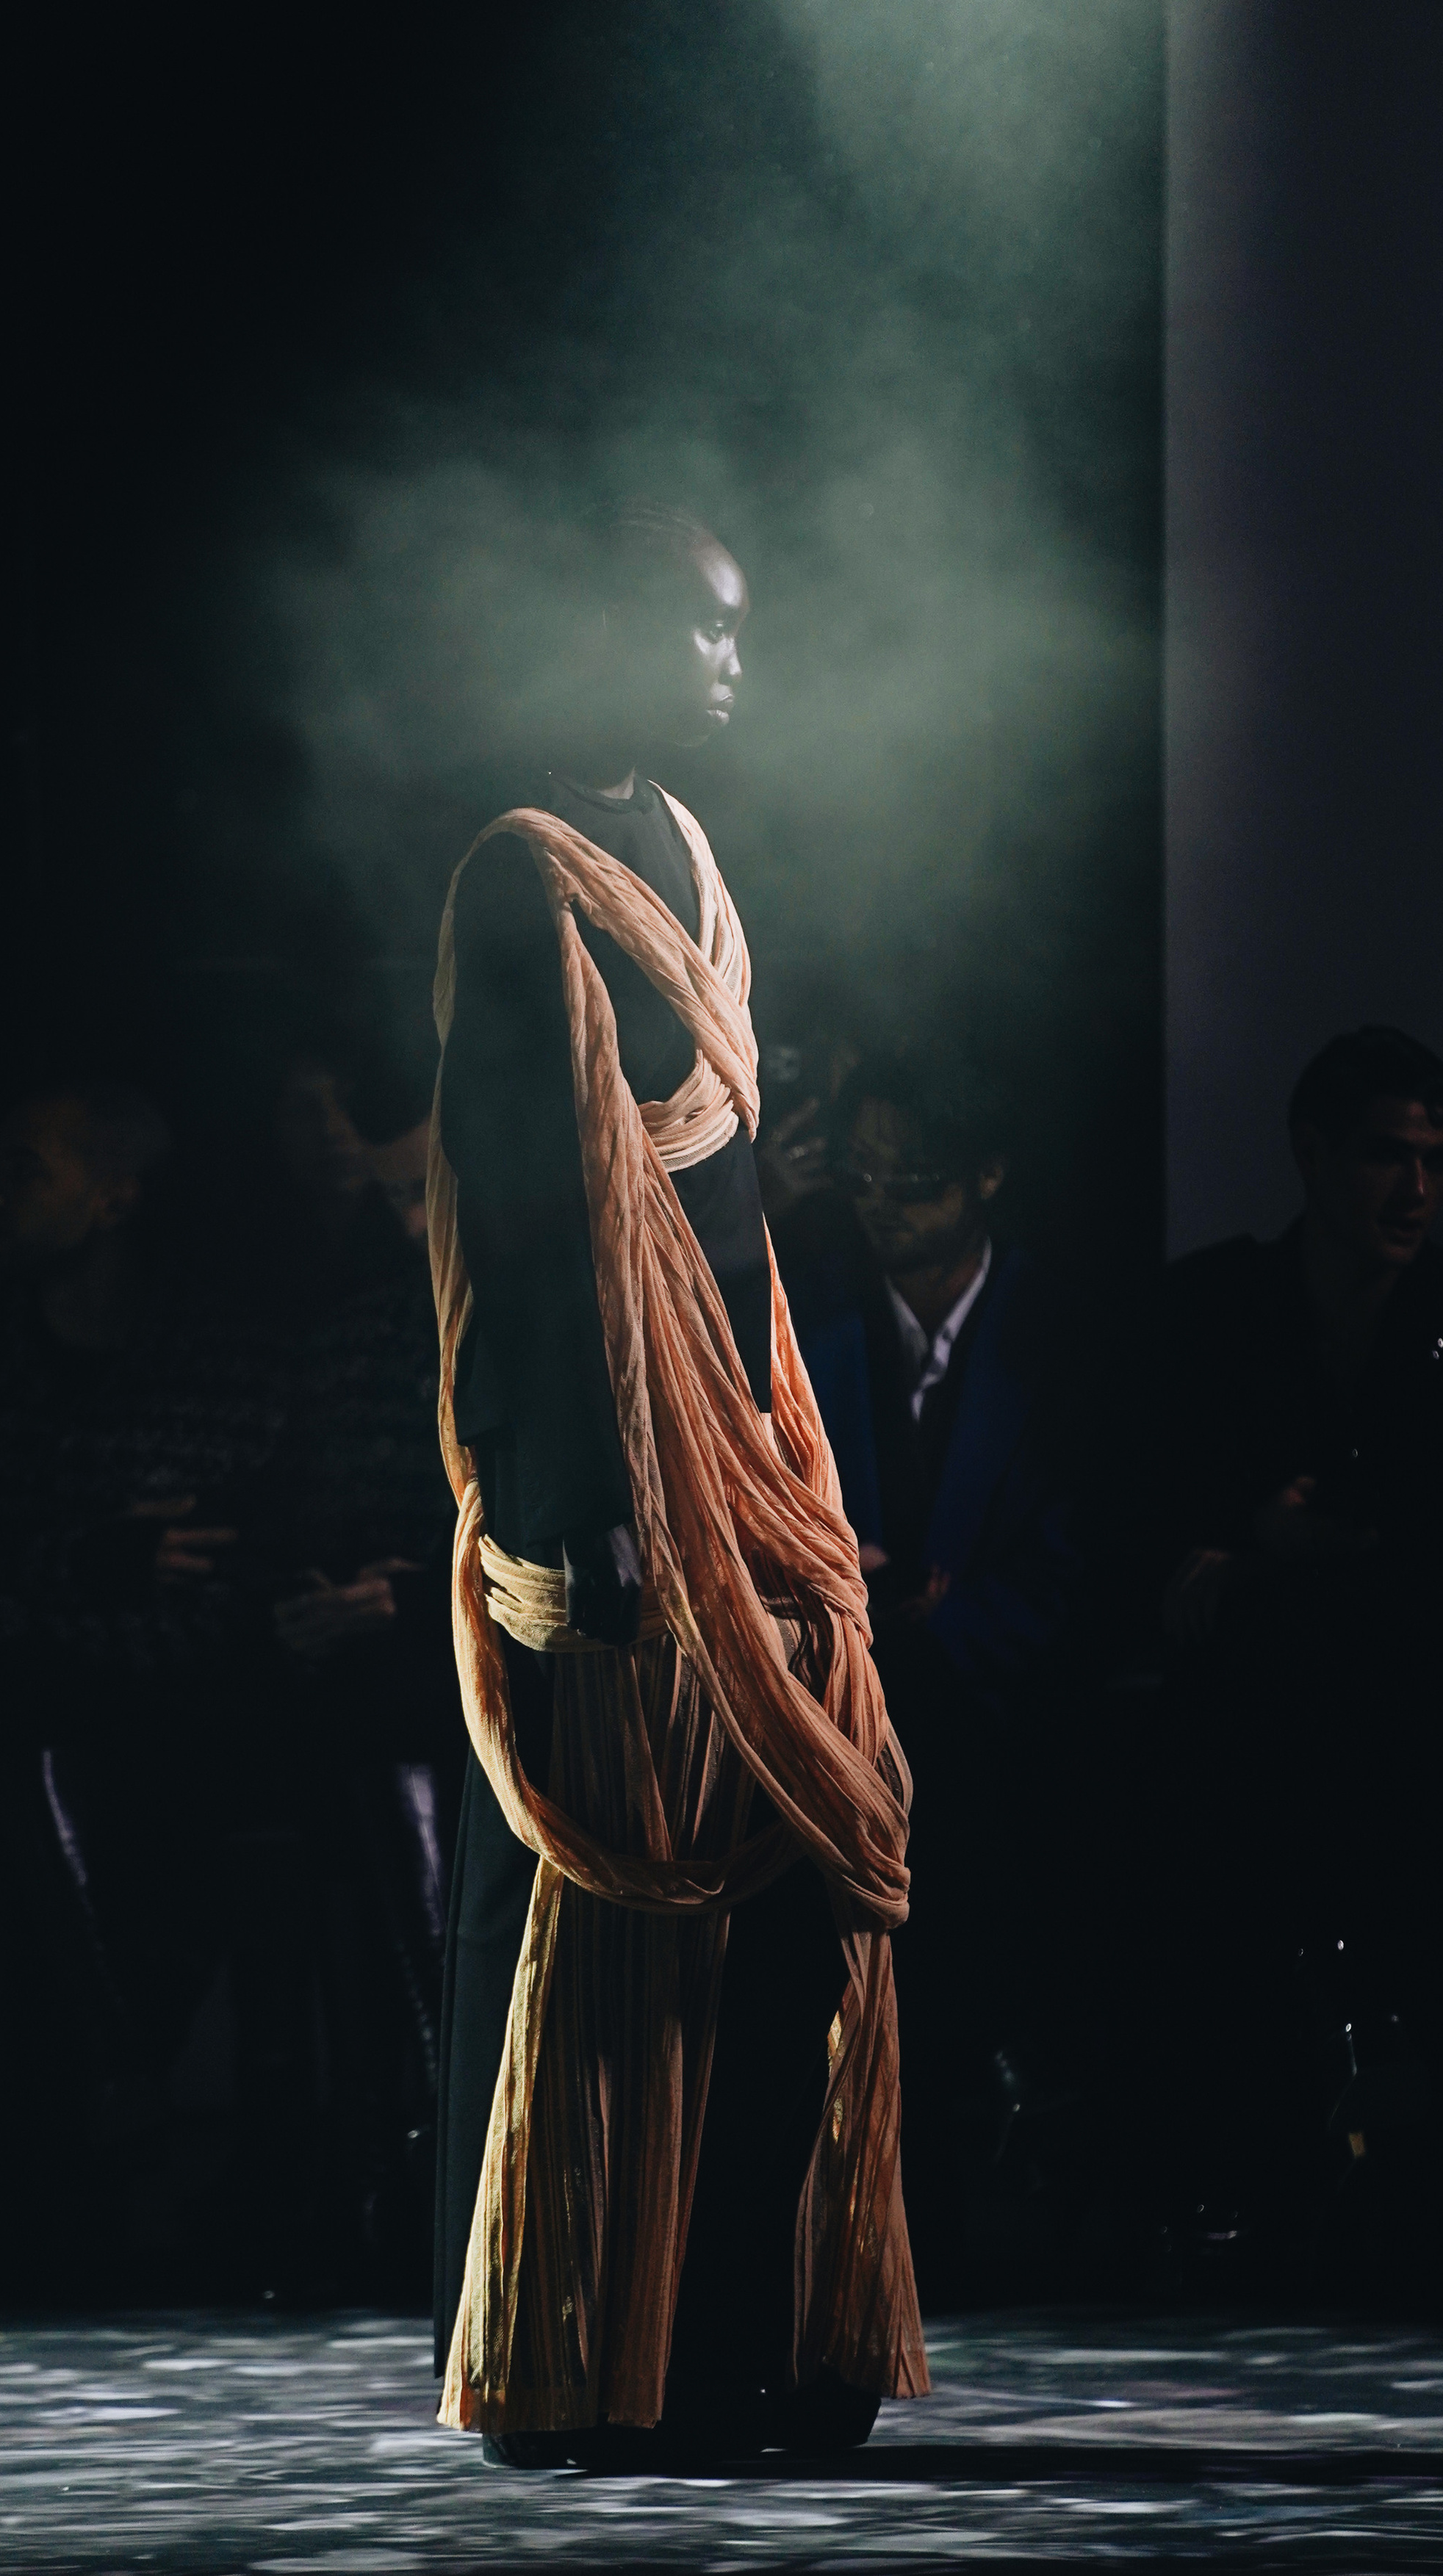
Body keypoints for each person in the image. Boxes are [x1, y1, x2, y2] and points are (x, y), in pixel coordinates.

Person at [431, 499, 924, 2462]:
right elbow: (541, 1212)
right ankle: (597, 2356)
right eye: (703, 631)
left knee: (811, 1867)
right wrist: (593, 1493)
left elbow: (727, 1200)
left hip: (740, 1435)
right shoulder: (514, 871)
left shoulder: (693, 847)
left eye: (740, 633)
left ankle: (758, 2333)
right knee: (627, 1907)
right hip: (616, 1459)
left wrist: (785, 1450)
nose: (735, 663)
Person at [1145, 1025, 1443, 2284]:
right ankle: (1238, 2192)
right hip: (1253, 1738)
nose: (1415, 1189)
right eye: (1388, 1155)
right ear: (1314, 1154)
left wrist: (1275, 1556)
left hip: (1424, 1730)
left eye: (1436, 1159)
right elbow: (1151, 1524)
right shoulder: (1214, 1308)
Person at [770, 1050, 1087, 2292]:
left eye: (915, 1179)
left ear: (986, 1179)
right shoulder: (815, 1310)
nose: (884, 1202)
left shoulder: (1061, 1339)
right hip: (835, 1705)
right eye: (865, 1176)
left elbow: (1079, 1572)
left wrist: (934, 1619)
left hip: (1001, 1723)